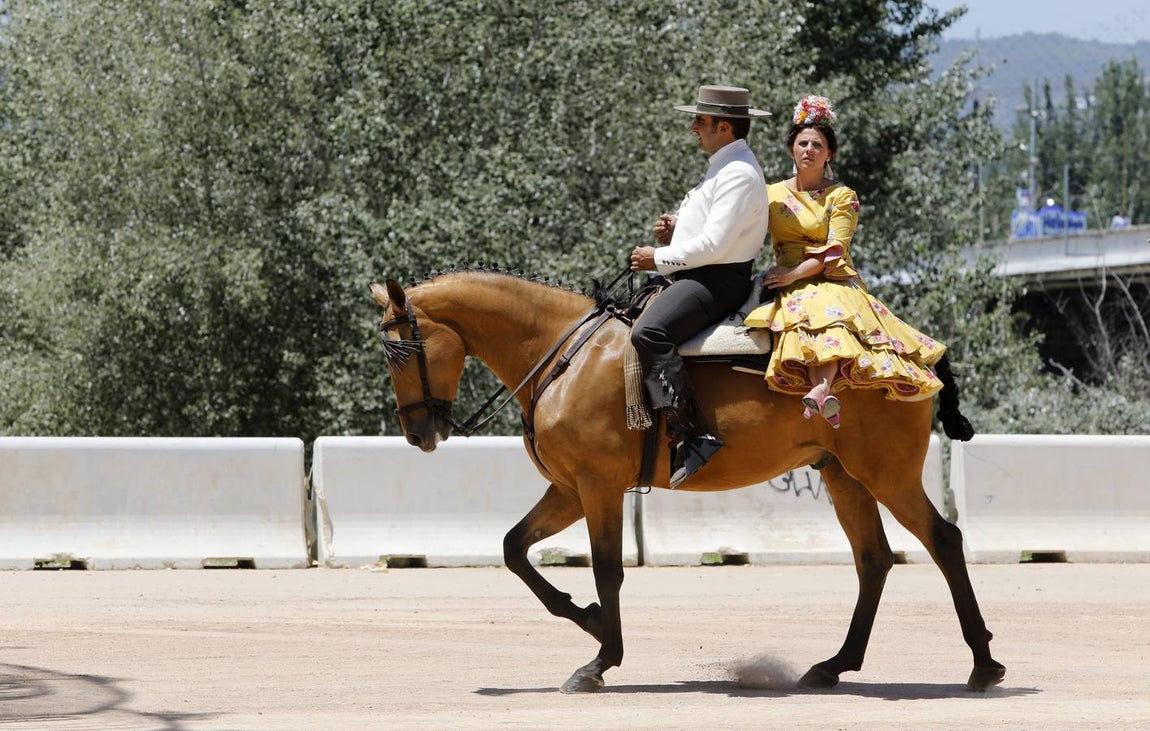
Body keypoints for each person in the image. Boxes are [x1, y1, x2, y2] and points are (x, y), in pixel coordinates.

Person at [743, 95, 946, 428]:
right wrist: (681, 226)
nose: (809, 149)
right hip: (787, 278)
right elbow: (735, 219)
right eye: (803, 143)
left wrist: (793, 274)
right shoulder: (770, 193)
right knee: (800, 317)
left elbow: (835, 250)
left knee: (828, 313)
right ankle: (821, 392)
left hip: (831, 278)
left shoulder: (842, 196)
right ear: (791, 148)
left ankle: (822, 387)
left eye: (817, 145)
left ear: (829, 154)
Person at [629, 85, 770, 487]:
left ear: (723, 127)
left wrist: (655, 257)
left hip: (716, 280)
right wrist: (677, 229)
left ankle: (691, 435)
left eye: (700, 121)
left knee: (650, 332)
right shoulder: (726, 165)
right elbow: (711, 229)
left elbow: (715, 246)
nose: (693, 127)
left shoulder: (739, 173)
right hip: (701, 273)